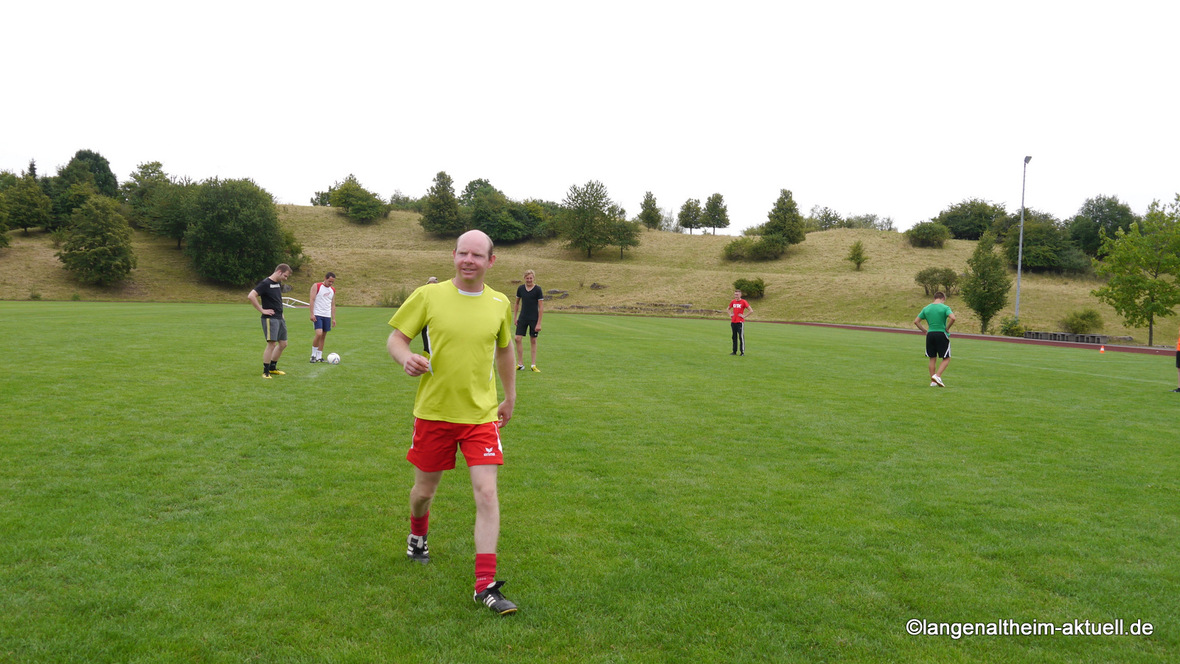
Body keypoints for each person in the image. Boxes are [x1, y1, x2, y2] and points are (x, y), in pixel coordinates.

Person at [387, 230, 519, 616]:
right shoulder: (428, 296)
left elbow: (506, 351)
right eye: (463, 253)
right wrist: (405, 357)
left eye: (477, 255)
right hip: (434, 413)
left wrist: (510, 397)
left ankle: (486, 585)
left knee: (487, 493)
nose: (468, 260)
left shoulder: (498, 304)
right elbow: (396, 339)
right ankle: (418, 533)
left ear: (491, 261)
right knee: (424, 491)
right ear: (453, 255)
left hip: (480, 416)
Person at [247, 264, 292, 379]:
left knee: (283, 343)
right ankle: (265, 371)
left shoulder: (277, 283)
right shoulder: (265, 283)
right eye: (285, 276)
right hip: (270, 319)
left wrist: (282, 314)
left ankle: (273, 368)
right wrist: (262, 310)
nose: (286, 279)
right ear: (279, 272)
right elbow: (251, 296)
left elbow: (277, 299)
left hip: (279, 317)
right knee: (271, 344)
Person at [914, 291, 956, 387]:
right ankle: (937, 375)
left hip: (930, 334)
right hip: (941, 333)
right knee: (946, 358)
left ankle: (933, 381)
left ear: (934, 298)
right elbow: (953, 318)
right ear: (943, 298)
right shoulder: (945, 307)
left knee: (932, 358)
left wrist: (925, 331)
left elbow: (916, 321)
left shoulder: (926, 308)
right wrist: (947, 328)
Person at [513, 269, 544, 372]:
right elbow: (517, 303)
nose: (529, 280)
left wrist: (539, 323)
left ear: (533, 278)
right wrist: (515, 317)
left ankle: (533, 365)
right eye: (527, 278)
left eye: (531, 278)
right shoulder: (520, 289)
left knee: (533, 340)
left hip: (534, 318)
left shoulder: (538, 290)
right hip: (523, 317)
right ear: (524, 278)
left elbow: (541, 307)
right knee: (517, 338)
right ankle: (520, 364)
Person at [308, 272, 337, 363]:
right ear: (325, 278)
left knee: (323, 336)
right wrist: (312, 314)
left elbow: (333, 305)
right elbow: (312, 300)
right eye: (329, 281)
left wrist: (333, 318)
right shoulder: (317, 286)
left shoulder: (332, 290)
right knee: (319, 334)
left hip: (327, 315)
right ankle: (313, 355)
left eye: (332, 282)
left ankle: (319, 356)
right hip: (318, 314)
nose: (331, 283)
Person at [728, 289, 752, 355]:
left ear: (740, 295)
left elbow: (751, 310)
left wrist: (744, 316)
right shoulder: (733, 301)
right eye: (735, 294)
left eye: (737, 294)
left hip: (740, 322)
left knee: (741, 337)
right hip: (733, 322)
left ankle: (742, 352)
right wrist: (730, 314)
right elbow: (728, 309)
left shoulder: (743, 302)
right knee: (734, 337)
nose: (736, 295)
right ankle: (734, 351)